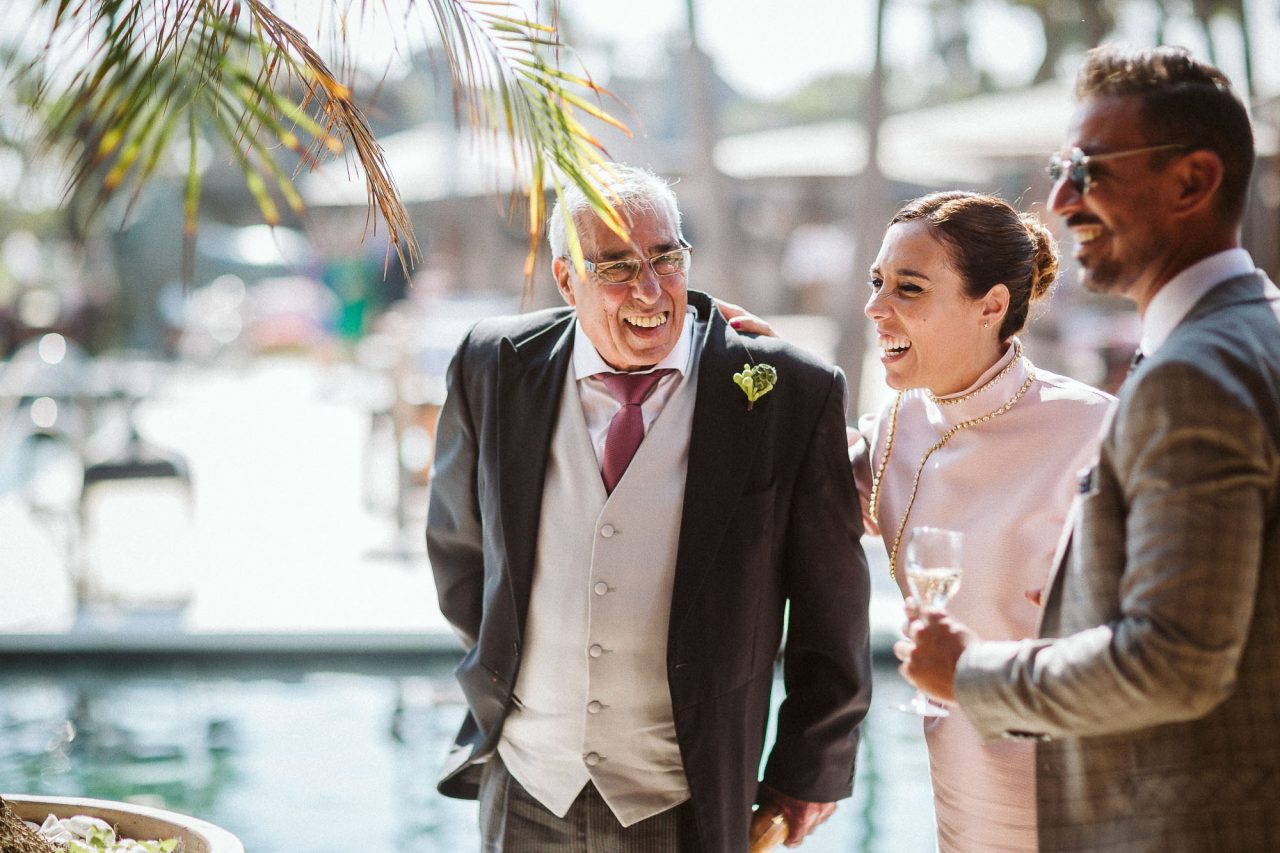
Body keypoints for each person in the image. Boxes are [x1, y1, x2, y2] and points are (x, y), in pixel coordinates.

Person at [425, 163, 873, 853]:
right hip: (526, 783)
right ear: (567, 278)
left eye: (666, 256)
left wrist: (808, 766)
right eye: (614, 266)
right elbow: (459, 551)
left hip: (685, 794)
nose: (649, 288)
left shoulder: (790, 391)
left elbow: (832, 607)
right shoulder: (493, 365)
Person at [902, 45, 1280, 851]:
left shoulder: (1197, 375)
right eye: (1058, 166)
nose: (1062, 199)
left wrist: (967, 674)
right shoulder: (1260, 332)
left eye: (1089, 168)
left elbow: (1175, 659)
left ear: (1193, 181)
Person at [726, 190, 1113, 852]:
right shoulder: (896, 430)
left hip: (1087, 798)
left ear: (991, 305)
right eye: (878, 282)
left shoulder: (1099, 429)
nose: (876, 307)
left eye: (909, 287)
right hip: (960, 797)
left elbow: (1147, 648)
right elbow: (799, 499)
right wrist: (773, 370)